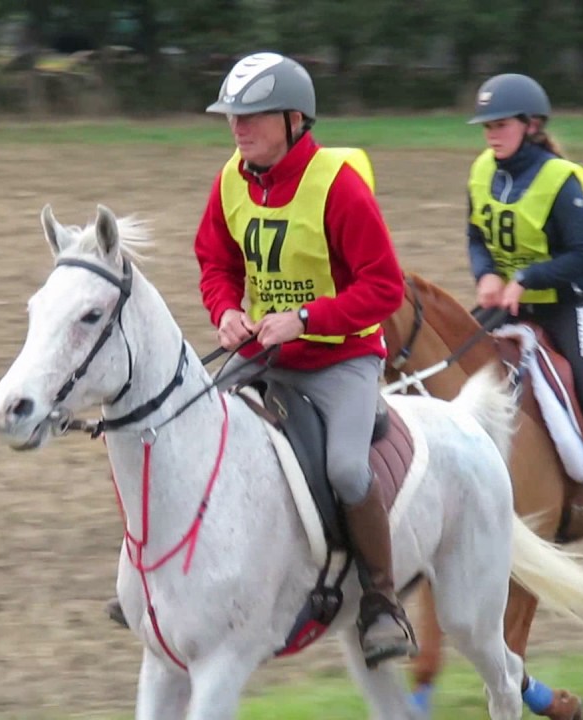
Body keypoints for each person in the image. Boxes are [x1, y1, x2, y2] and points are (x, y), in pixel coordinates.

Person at [193, 51, 413, 667]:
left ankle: (382, 601)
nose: (237, 127)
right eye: (231, 116)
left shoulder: (338, 186)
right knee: (193, 434)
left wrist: (308, 319)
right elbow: (215, 261)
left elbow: (385, 288)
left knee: (345, 470)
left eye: (252, 115)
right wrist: (225, 311)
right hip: (264, 353)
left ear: (294, 120)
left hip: (342, 359)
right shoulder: (230, 179)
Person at [464, 72, 583, 539]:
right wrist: (486, 273)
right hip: (514, 304)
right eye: (487, 126)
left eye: (501, 125)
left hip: (573, 304)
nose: (491, 134)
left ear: (531, 125)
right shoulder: (482, 171)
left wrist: (526, 279)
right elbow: (476, 235)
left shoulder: (560, 180)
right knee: (460, 360)